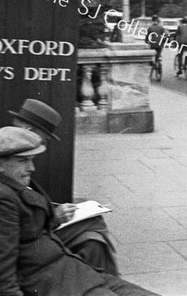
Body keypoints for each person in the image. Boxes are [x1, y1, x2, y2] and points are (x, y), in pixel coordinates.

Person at [0, 127, 159, 296]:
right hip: (55, 284)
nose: (31, 168)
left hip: (69, 274)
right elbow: (3, 277)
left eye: (31, 160)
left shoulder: (3, 183)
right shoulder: (1, 201)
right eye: (23, 161)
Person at [8, 99, 118, 276]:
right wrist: (55, 217)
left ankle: (103, 282)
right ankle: (109, 282)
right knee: (95, 227)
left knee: (94, 239)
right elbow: (19, 220)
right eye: (42, 139)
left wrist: (51, 210)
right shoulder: (10, 156)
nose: (42, 145)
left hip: (35, 230)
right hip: (34, 242)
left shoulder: (9, 149)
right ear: (29, 131)